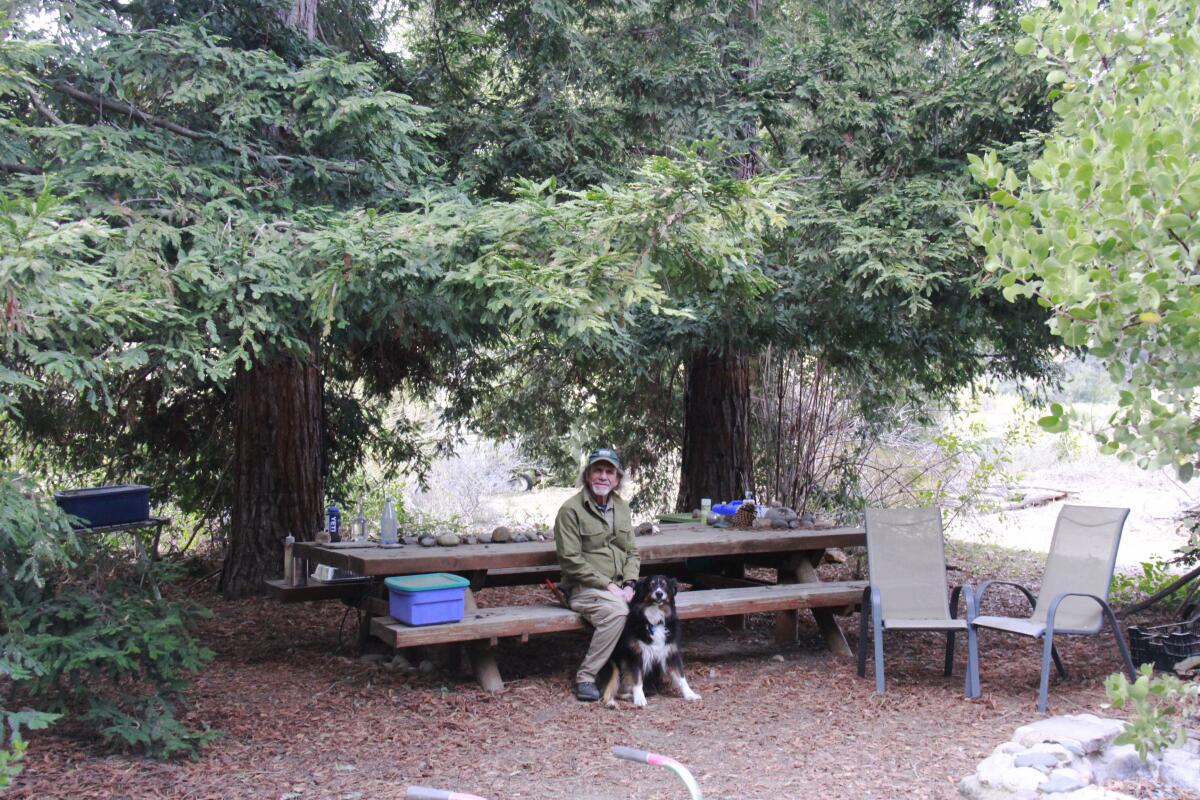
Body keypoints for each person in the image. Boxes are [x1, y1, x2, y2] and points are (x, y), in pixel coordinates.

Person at [553, 447, 640, 702]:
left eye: (609, 472)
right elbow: (570, 561)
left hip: (617, 588)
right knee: (618, 612)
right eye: (597, 470)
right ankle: (587, 677)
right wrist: (608, 585)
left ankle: (633, 676)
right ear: (587, 475)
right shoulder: (570, 510)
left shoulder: (621, 507)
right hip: (582, 588)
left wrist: (630, 584)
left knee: (651, 603)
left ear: (617, 479)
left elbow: (632, 552)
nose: (603, 476)